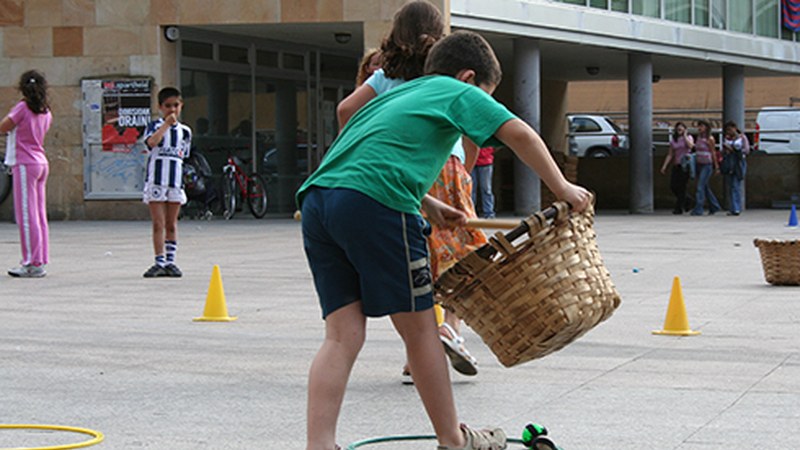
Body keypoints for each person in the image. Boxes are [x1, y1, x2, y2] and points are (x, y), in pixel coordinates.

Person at [297, 30, 591, 450]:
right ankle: (453, 440)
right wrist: (563, 188)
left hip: (319, 202)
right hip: (376, 204)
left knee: (342, 335)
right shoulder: (456, 90)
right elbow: (520, 134)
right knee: (421, 331)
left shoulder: (396, 94)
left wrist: (432, 207)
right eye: (486, 94)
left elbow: (370, 156)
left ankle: (319, 444)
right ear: (469, 78)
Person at [337, 0, 481, 380]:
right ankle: (450, 328)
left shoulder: (383, 76)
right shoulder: (445, 78)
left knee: (415, 259)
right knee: (461, 252)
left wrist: (354, 147)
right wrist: (463, 169)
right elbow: (471, 132)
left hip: (395, 173)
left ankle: (419, 347)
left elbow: (344, 111)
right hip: (441, 164)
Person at [0, 70, 52, 278]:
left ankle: (30, 262)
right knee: (39, 215)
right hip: (41, 162)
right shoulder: (46, 111)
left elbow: (4, 126)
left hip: (24, 164)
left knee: (25, 215)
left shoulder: (22, 108)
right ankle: (40, 258)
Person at [142, 87, 192, 278]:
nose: (172, 110)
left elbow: (183, 155)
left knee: (171, 223)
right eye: (168, 106)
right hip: (157, 180)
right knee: (158, 223)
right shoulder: (154, 126)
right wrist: (165, 125)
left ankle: (171, 261)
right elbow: (151, 143)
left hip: (175, 181)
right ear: (160, 107)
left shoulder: (185, 132)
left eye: (176, 105)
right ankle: (159, 260)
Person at [660, 121, 695, 214]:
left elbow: (691, 146)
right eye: (678, 128)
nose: (679, 130)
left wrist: (685, 136)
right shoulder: (673, 141)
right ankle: (688, 201)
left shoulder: (689, 138)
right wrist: (664, 166)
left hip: (686, 165)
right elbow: (670, 154)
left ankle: (678, 208)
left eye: (681, 128)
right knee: (674, 186)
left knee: (682, 187)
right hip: (676, 165)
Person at [690, 120, 721, 215]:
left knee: (700, 186)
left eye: (702, 126)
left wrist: (716, 166)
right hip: (699, 163)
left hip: (707, 164)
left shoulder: (710, 139)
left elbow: (713, 152)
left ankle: (699, 208)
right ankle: (714, 205)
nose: (699, 128)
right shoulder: (698, 137)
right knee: (705, 186)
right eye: (699, 126)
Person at [721, 121, 749, 216]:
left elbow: (747, 150)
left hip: (738, 162)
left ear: (735, 128)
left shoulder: (742, 138)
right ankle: (733, 208)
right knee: (730, 186)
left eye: (730, 129)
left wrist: (735, 150)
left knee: (735, 186)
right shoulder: (726, 138)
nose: (729, 132)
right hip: (730, 162)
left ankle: (737, 207)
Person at [471, 146, 496, 218]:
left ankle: (489, 213)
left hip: (485, 161)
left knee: (486, 189)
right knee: (473, 190)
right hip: (477, 160)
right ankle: (487, 213)